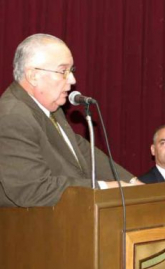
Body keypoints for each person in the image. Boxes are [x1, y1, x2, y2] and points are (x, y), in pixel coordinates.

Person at [0, 33, 142, 208]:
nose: (73, 80)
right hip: (31, 230)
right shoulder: (12, 115)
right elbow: (32, 188)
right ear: (33, 75)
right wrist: (103, 188)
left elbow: (81, 151)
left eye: (71, 71)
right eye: (63, 71)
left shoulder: (50, 109)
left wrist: (132, 182)